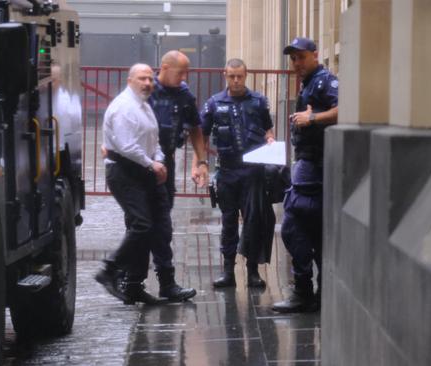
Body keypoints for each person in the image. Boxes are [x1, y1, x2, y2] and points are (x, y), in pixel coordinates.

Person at [94, 63, 170, 305]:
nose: (148, 83)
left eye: (150, 79)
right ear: (130, 81)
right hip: (125, 172)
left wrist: (157, 160)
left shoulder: (143, 106)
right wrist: (152, 164)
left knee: (153, 226)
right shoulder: (124, 107)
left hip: (143, 171)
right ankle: (110, 269)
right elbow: (127, 146)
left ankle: (134, 285)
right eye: (142, 79)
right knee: (141, 225)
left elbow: (153, 140)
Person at [272, 37, 338, 313]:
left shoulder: (325, 80)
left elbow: (345, 109)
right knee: (313, 230)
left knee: (294, 226)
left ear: (315, 55)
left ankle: (305, 292)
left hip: (316, 167)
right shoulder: (310, 82)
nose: (297, 63)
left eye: (301, 57)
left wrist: (312, 118)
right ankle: (314, 293)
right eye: (293, 59)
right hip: (310, 165)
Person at [201, 58, 276, 288]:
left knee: (253, 221)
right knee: (229, 221)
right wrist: (201, 162)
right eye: (231, 76)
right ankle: (228, 272)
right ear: (225, 75)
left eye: (240, 76)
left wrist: (271, 140)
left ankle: (252, 271)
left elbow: (268, 130)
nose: (235, 80)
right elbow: (201, 135)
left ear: (246, 76)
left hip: (252, 172)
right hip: (227, 171)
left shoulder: (258, 101)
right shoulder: (214, 103)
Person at [143, 50, 209, 301]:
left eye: (186, 72)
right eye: (180, 72)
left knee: (162, 223)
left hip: (166, 163)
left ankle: (165, 282)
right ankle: (131, 278)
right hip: (142, 163)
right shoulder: (147, 88)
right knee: (140, 224)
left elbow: (195, 128)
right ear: (164, 67)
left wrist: (202, 161)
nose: (184, 77)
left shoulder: (184, 94)